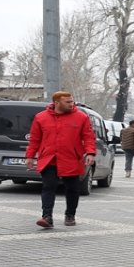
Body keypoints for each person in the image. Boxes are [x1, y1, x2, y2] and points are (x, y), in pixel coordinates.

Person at [25, 91, 96, 229]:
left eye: (72, 101)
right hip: (49, 158)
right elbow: (35, 139)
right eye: (67, 102)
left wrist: (90, 153)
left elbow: (88, 136)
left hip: (71, 158)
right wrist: (30, 156)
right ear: (56, 102)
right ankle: (47, 217)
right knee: (48, 187)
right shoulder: (41, 117)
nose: (72, 104)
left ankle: (70, 214)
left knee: (72, 189)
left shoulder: (81, 117)